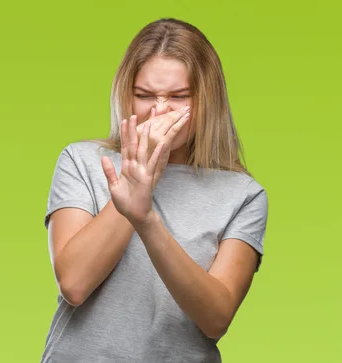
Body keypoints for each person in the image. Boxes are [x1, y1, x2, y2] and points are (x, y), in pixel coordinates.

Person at [41, 18, 269, 363]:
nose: (159, 110)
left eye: (178, 97)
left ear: (208, 99)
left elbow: (216, 318)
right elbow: (74, 284)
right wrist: (135, 181)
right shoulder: (83, 162)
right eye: (144, 95)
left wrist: (145, 218)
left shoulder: (243, 195)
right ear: (126, 96)